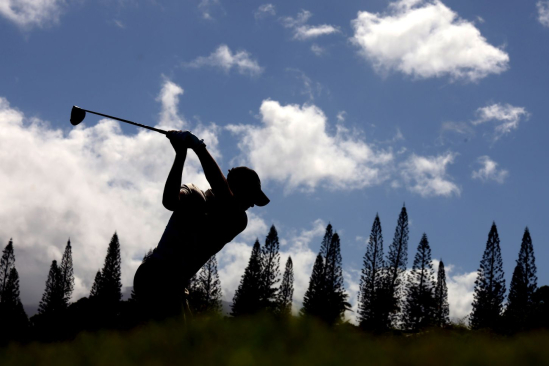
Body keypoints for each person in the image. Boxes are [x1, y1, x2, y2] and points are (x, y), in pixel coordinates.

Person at [133, 130, 269, 321]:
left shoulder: (238, 220)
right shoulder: (194, 195)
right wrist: (181, 155)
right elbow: (169, 202)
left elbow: (223, 193)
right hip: (155, 276)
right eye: (250, 197)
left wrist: (198, 147)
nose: (252, 204)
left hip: (175, 286)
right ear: (237, 190)